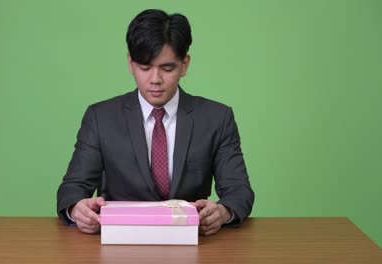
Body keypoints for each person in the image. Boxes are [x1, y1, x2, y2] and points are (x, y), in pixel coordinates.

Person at [57, 9, 254, 236]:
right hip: (120, 239)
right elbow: (72, 188)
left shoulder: (217, 118)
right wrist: (77, 209)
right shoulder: (100, 117)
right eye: (144, 67)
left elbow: (239, 190)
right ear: (130, 64)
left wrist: (223, 211)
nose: (155, 80)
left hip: (192, 241)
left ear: (184, 65)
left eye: (167, 68)